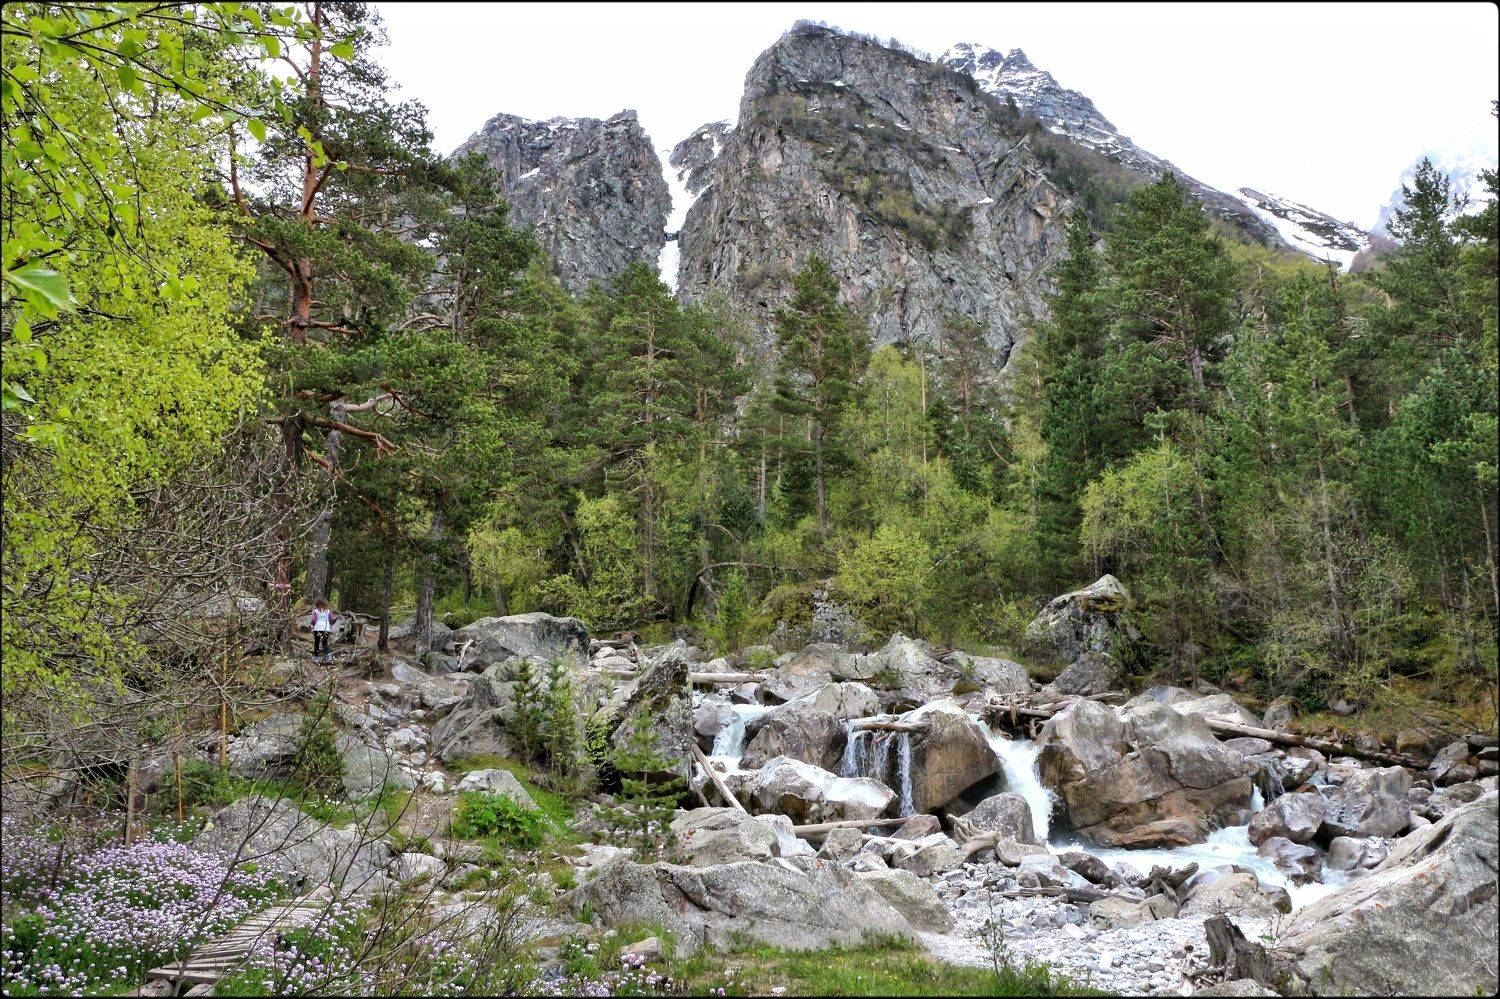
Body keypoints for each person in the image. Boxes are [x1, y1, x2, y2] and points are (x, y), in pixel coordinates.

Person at [311, 599, 337, 663]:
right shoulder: (328, 611)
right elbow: (332, 620)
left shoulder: (315, 611)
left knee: (317, 642)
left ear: (317, 604)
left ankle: (316, 657)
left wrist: (313, 625)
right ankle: (326, 656)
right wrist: (331, 623)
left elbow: (313, 620)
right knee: (325, 642)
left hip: (317, 628)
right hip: (326, 628)